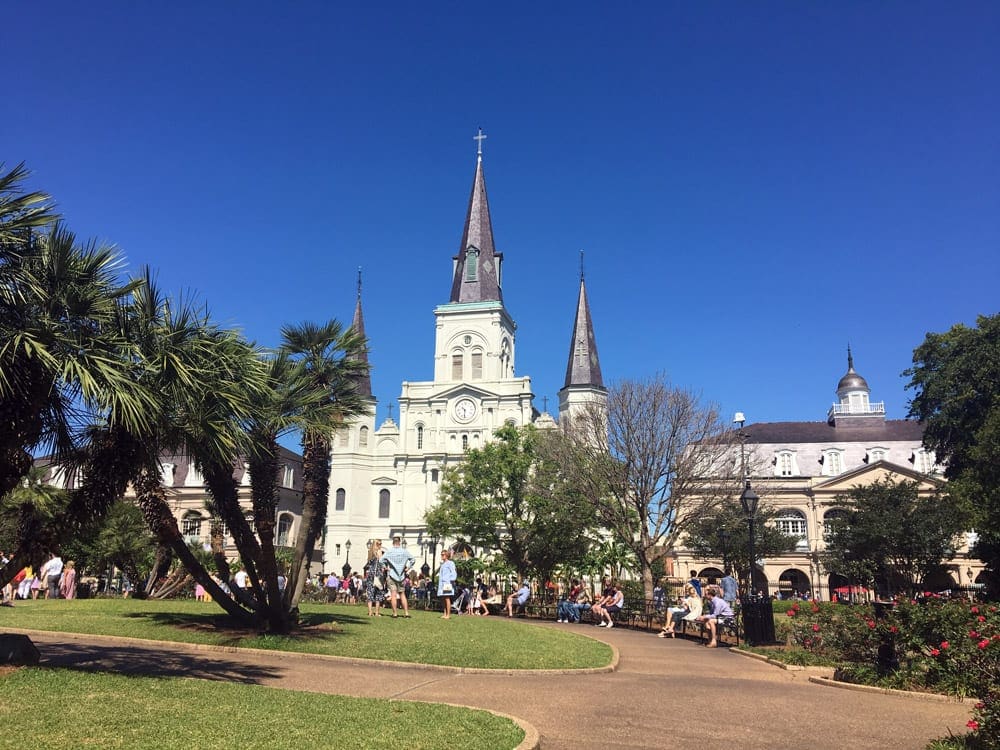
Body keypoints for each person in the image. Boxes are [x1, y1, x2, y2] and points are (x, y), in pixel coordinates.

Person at [382, 535, 416, 618]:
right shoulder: (404, 551)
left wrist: (386, 567)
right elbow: (413, 559)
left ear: (393, 542)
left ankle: (395, 613)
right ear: (399, 542)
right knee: (402, 594)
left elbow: (381, 560)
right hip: (401, 576)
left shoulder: (389, 551)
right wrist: (408, 567)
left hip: (392, 574)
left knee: (393, 594)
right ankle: (406, 613)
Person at [363, 541, 387, 616]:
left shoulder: (370, 554)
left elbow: (369, 564)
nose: (380, 545)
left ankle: (370, 612)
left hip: (371, 575)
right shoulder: (378, 553)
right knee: (378, 594)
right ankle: (376, 612)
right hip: (378, 575)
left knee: (370, 593)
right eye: (379, 544)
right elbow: (381, 562)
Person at [437, 549, 457, 619]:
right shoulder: (443, 564)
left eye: (443, 555)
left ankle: (448, 614)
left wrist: (450, 579)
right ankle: (445, 613)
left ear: (447, 555)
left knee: (447, 598)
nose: (441, 556)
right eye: (441, 554)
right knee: (442, 598)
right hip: (442, 583)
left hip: (447, 583)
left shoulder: (450, 563)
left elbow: (453, 573)